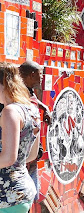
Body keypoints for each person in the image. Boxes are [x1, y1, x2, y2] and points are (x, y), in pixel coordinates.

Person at [0, 63, 40, 213]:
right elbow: (32, 155)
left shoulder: (10, 111)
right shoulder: (31, 109)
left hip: (6, 197)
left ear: (4, 85)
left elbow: (9, 158)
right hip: (21, 192)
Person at [18, 61, 51, 203]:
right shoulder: (18, 92)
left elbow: (33, 100)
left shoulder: (27, 90)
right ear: (32, 75)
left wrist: (45, 108)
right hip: (22, 153)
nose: (42, 77)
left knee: (30, 192)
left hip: (31, 151)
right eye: (40, 74)